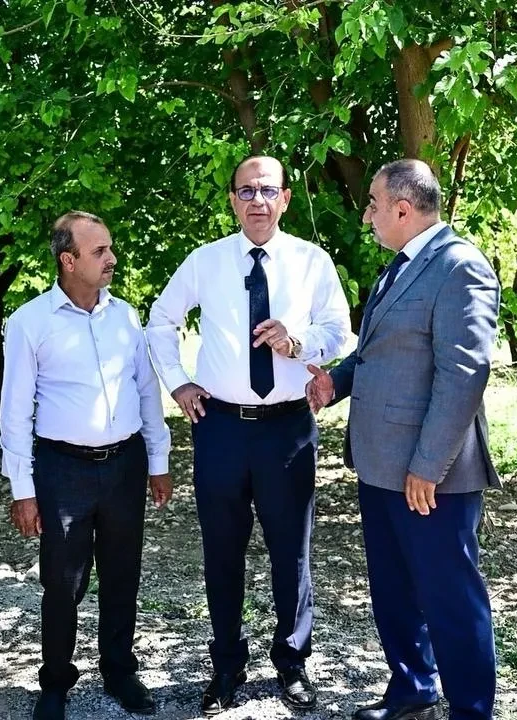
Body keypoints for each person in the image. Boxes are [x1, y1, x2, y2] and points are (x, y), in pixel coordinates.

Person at [146, 156, 351, 715]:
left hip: (287, 429)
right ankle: (226, 666)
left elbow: (340, 332)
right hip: (220, 428)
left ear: (285, 198)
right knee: (221, 551)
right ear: (232, 200)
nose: (257, 200)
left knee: (291, 552)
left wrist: (298, 342)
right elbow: (160, 321)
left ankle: (292, 662)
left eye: (267, 190)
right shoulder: (205, 261)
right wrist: (178, 383)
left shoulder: (311, 261)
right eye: (246, 191)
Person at [307, 160, 499, 720]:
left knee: (450, 597)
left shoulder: (459, 266)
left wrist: (428, 465)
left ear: (402, 208)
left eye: (372, 204)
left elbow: (463, 374)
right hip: (381, 464)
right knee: (394, 590)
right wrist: (336, 382)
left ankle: (471, 710)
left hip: (429, 475)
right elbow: (380, 352)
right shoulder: (401, 265)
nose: (366, 215)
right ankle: (414, 688)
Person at [0, 212, 173, 720]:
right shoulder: (31, 322)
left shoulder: (126, 317)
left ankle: (119, 671)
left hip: (124, 464)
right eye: (100, 251)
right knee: (62, 581)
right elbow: (15, 410)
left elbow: (146, 391)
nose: (112, 259)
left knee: (123, 574)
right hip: (62, 470)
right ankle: (55, 681)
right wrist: (22, 489)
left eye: (110, 248)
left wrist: (158, 460)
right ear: (68, 260)